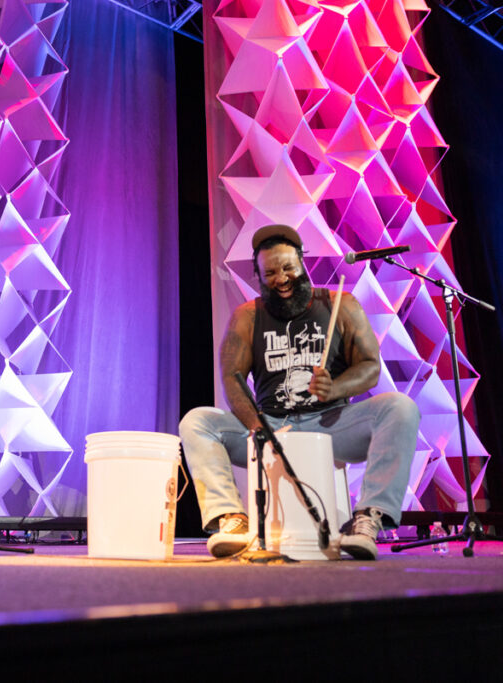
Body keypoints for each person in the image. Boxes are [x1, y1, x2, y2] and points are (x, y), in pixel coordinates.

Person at [179, 225, 420, 560]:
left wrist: (336, 386)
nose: (282, 278)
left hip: (332, 424)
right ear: (259, 276)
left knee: (400, 407)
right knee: (198, 421)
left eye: (289, 268)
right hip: (270, 425)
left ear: (303, 262)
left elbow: (370, 366)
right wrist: (257, 427)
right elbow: (232, 378)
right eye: (270, 273)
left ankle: (369, 518)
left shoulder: (340, 303)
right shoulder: (248, 316)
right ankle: (230, 519)